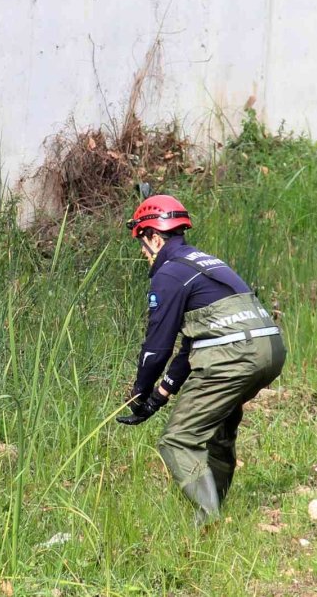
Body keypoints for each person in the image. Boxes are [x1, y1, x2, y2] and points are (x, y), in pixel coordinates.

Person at [116, 194, 286, 525]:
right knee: (218, 429)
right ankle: (216, 503)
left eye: (141, 241)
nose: (142, 251)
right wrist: (159, 395)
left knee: (178, 439)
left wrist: (139, 392)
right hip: (269, 348)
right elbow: (194, 341)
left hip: (235, 353)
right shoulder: (205, 261)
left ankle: (208, 520)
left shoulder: (168, 274)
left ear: (154, 236)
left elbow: (157, 348)